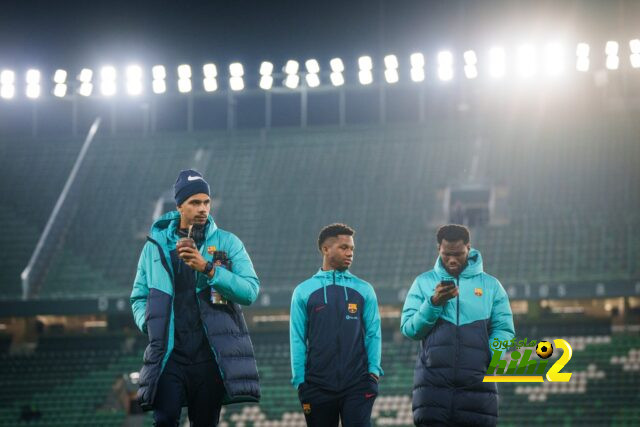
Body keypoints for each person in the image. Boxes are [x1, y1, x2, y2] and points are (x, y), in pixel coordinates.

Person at [130, 169, 260, 426]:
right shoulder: (154, 247)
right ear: (179, 206)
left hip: (209, 358)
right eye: (195, 202)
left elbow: (250, 291)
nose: (203, 208)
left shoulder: (228, 243)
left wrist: (208, 269)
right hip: (169, 356)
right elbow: (138, 297)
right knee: (165, 419)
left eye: (206, 202)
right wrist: (149, 322)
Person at [401, 224, 515, 426]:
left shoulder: (491, 285)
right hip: (432, 388)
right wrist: (433, 303)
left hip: (478, 387)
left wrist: (488, 357)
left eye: (458, 254)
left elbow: (504, 329)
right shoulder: (423, 283)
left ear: (468, 248)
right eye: (446, 254)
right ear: (438, 250)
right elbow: (410, 329)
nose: (452, 260)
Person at [290, 223, 383, 427]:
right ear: (325, 249)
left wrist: (373, 373)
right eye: (343, 247)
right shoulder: (303, 291)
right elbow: (297, 338)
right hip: (317, 386)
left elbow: (373, 334)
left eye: (352, 248)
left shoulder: (364, 289)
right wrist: (300, 381)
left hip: (358, 384)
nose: (350, 253)